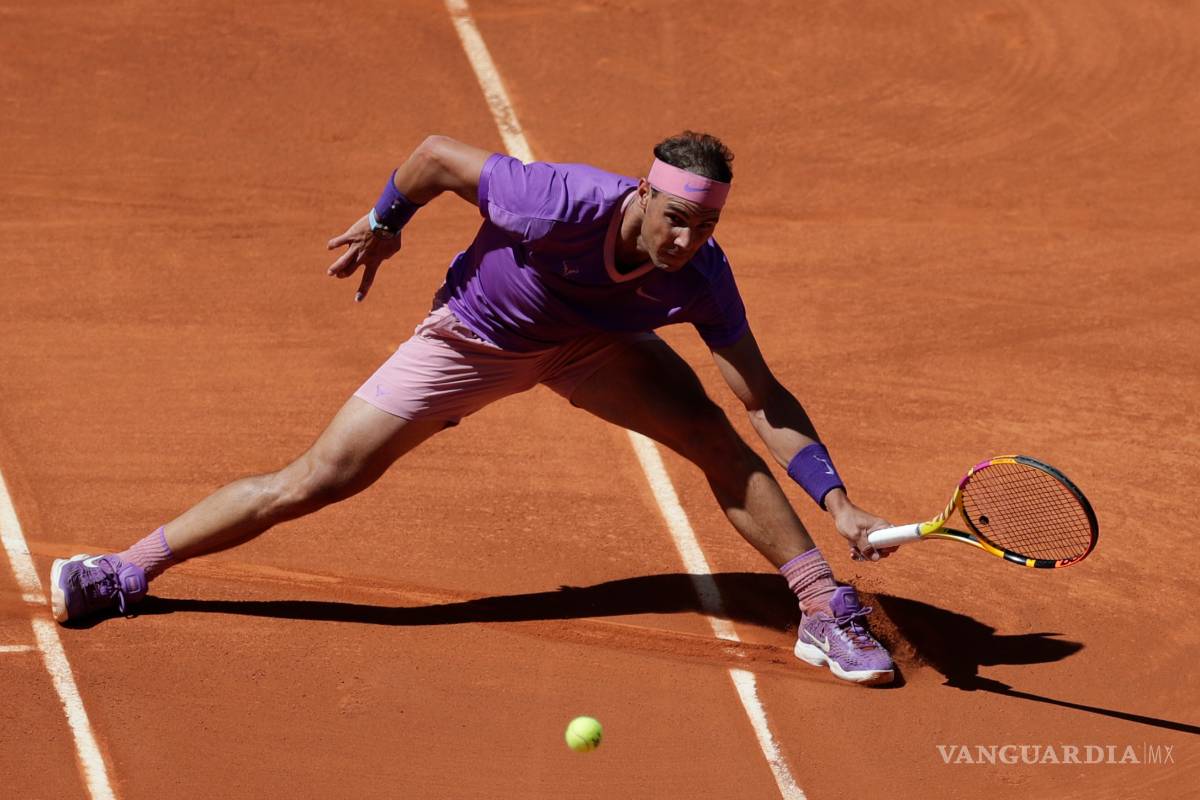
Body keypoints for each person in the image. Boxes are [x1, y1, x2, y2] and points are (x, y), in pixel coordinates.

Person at [50, 132, 897, 685]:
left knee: (717, 439)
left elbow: (764, 396)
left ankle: (822, 605)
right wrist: (387, 222)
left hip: (593, 348)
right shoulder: (558, 199)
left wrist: (838, 500)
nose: (685, 242)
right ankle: (124, 570)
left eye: (703, 228)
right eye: (676, 220)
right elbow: (433, 159)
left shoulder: (701, 276)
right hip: (474, 341)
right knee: (317, 480)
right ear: (644, 195)